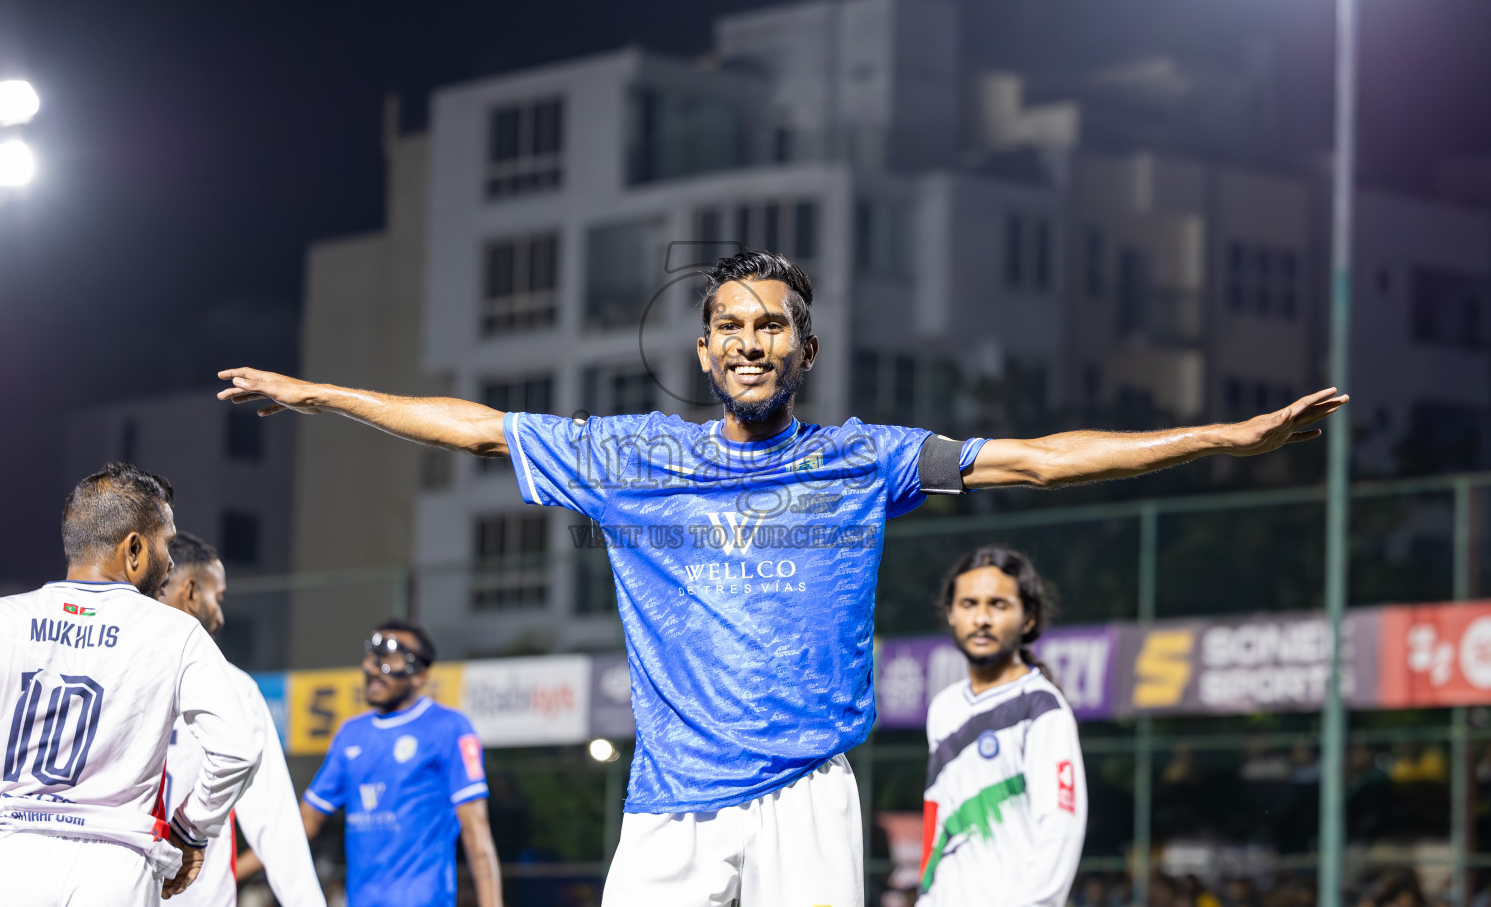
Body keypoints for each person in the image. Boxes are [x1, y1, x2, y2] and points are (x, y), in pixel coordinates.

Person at [218, 250, 1346, 906]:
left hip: (808, 791)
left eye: (773, 326)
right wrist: (319, 396)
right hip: (666, 803)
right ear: (705, 351)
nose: (752, 341)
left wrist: (1226, 440)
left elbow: (1040, 457)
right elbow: (470, 427)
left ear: (804, 352)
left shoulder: (864, 458)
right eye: (731, 326)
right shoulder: (630, 456)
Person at [0, 462, 261, 906]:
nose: (171, 561)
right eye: (167, 542)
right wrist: (191, 830)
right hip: (114, 867)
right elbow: (237, 749)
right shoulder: (175, 632)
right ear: (134, 548)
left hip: (9, 859)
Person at [157, 531, 325, 906]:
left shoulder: (107, 671)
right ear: (191, 591)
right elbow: (275, 822)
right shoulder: (232, 686)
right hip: (195, 895)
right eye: (218, 598)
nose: (219, 615)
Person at [918, 547, 1084, 907]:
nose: (981, 618)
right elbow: (936, 816)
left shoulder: (1041, 707)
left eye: (998, 604)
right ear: (950, 613)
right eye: (968, 604)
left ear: (1028, 618)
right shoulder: (944, 708)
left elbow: (1061, 825)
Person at [299, 620, 501, 907]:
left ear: (420, 675)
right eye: (371, 658)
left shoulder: (449, 727)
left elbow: (476, 834)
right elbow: (303, 823)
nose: (372, 668)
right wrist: (231, 870)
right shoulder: (350, 734)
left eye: (388, 659)